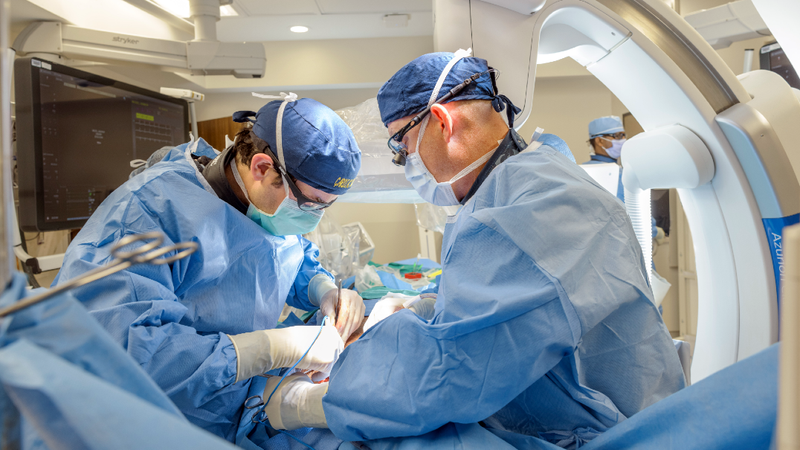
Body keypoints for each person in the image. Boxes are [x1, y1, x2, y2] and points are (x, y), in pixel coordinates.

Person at [262, 51, 685, 448]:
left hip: (604, 433)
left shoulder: (531, 211)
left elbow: (451, 374)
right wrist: (419, 309)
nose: (405, 161)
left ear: (443, 122)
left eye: (402, 146)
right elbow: (500, 313)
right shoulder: (524, 184)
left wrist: (306, 403)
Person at [52, 95, 365, 442]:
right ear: (262, 167)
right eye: (310, 204)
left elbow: (285, 252)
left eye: (326, 206)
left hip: (230, 409)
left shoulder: (258, 201)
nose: (313, 216)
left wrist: (321, 288)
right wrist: (268, 349)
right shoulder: (146, 216)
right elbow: (129, 358)